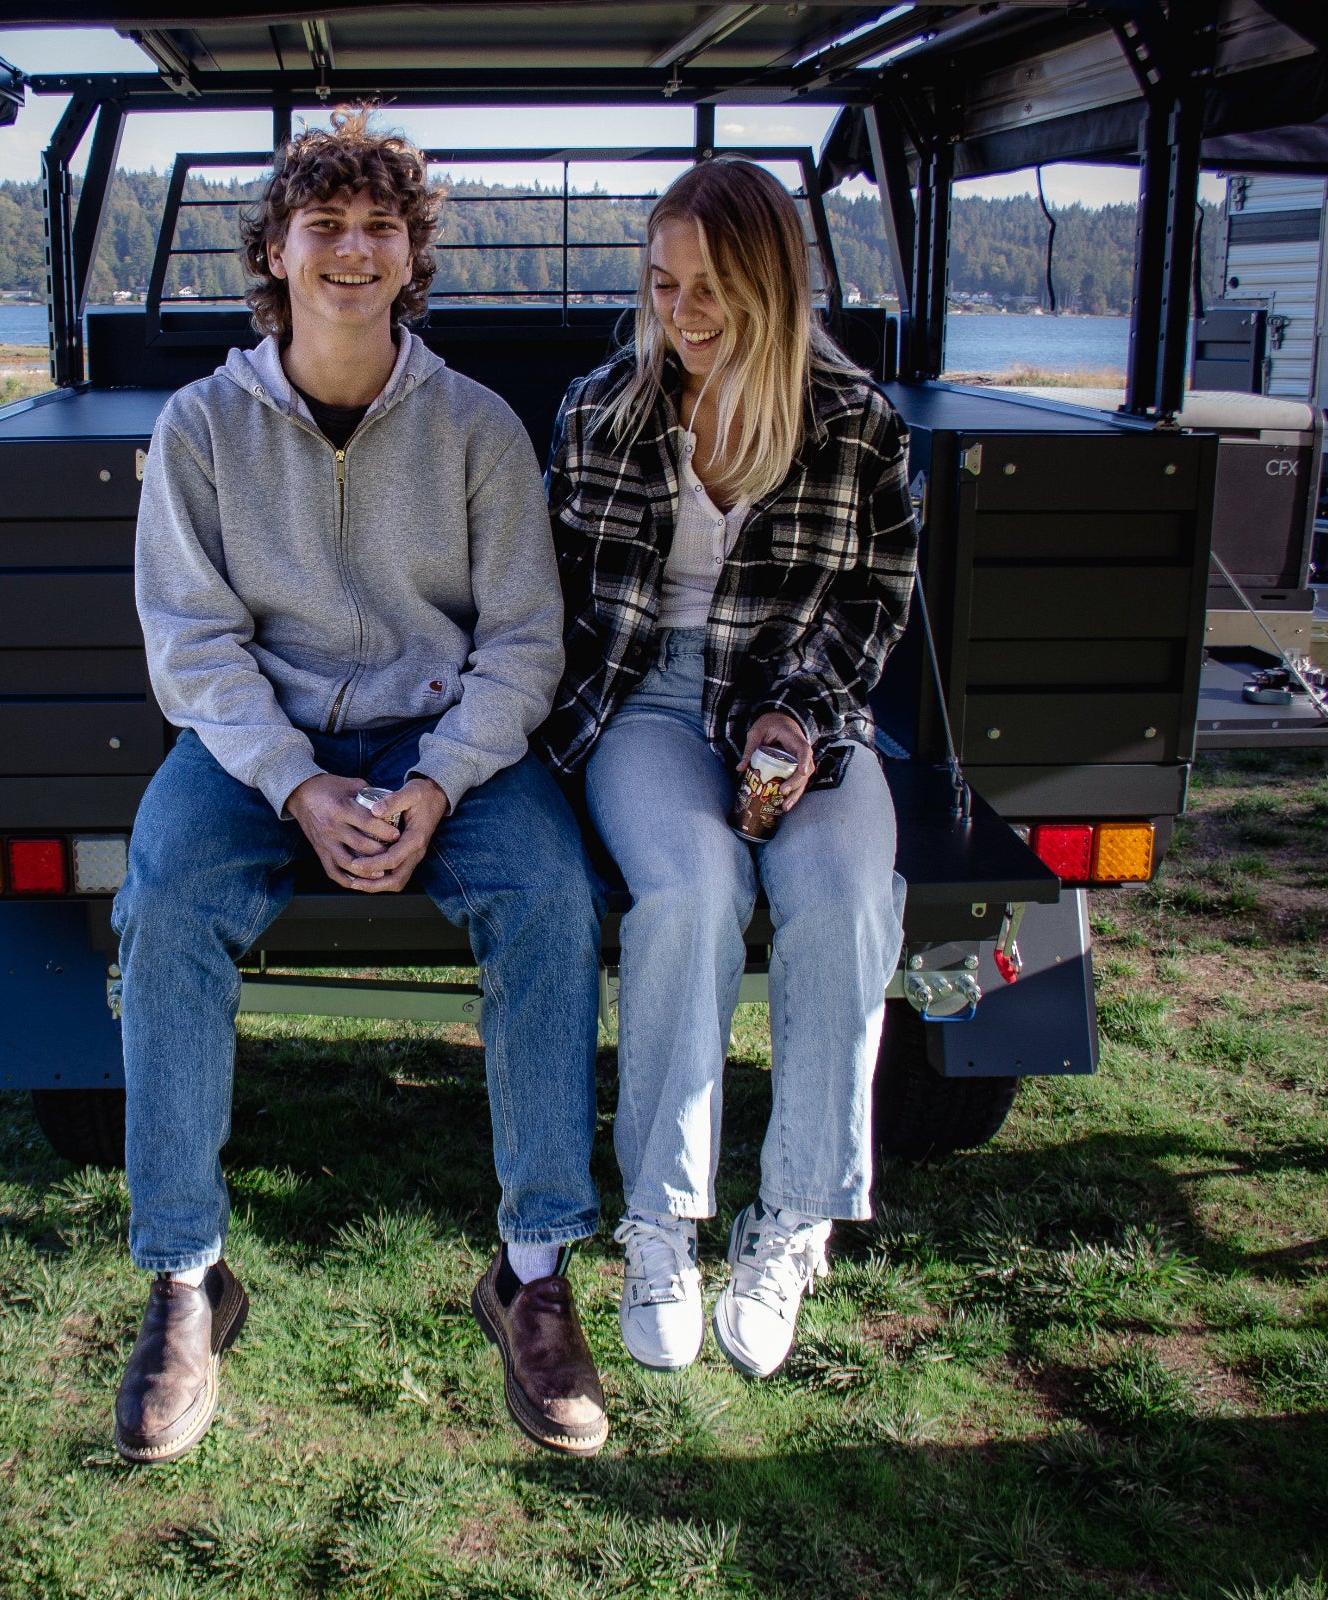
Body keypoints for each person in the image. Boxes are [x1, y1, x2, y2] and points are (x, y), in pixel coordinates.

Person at [111, 110, 609, 1464]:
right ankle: (185, 1281)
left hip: (442, 747)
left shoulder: (477, 428)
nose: (351, 249)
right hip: (260, 750)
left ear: (412, 256)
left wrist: (440, 786)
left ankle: (532, 1270)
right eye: (322, 225)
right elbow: (192, 645)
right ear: (272, 252)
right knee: (160, 903)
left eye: (378, 227)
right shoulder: (205, 427)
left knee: (553, 900)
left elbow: (522, 643)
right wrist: (294, 787)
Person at [536, 157, 916, 1378]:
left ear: (773, 284)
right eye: (662, 287)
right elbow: (556, 604)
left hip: (796, 703)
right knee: (693, 893)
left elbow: (871, 608)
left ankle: (790, 1219)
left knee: (849, 900)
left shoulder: (856, 422)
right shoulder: (604, 409)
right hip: (644, 702)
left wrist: (797, 726)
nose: (684, 315)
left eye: (710, 289)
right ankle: (662, 1222)